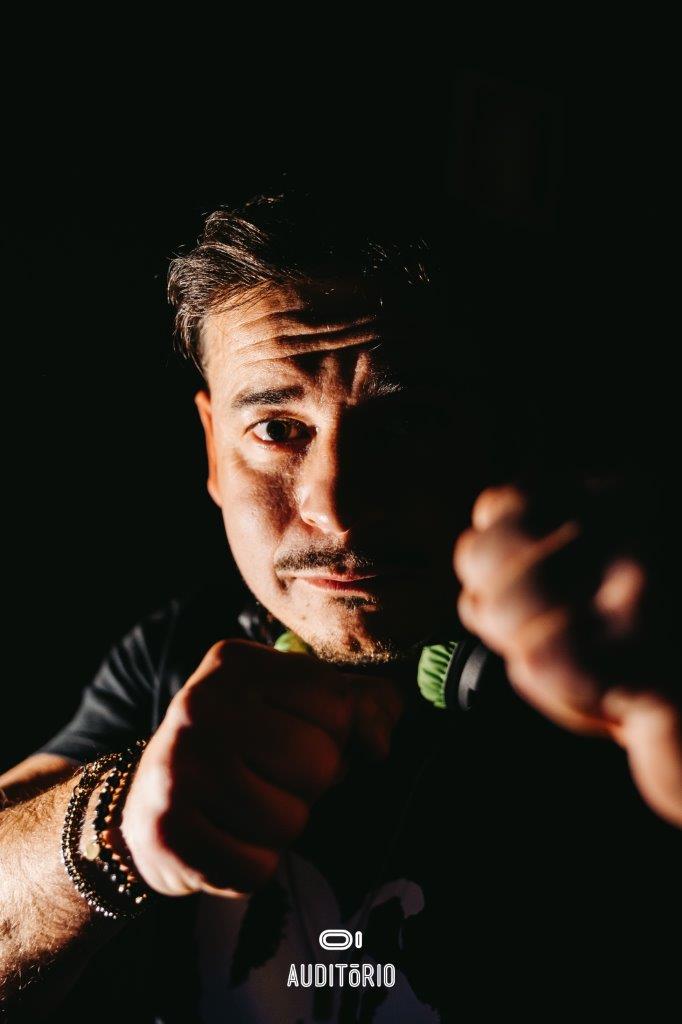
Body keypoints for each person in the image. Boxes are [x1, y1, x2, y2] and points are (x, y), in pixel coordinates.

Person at [0, 191, 679, 1023]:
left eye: (408, 423)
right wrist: (113, 827)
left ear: (505, 434)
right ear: (213, 449)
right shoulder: (176, 652)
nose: (337, 506)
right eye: (277, 430)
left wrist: (658, 715)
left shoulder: (623, 648)